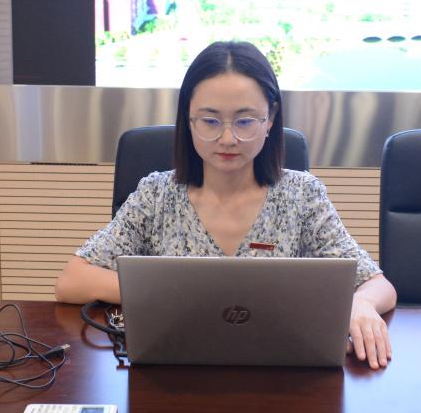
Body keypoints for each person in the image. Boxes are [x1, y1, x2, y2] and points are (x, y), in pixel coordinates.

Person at [56, 41, 397, 368]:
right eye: (210, 121)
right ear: (188, 119)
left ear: (270, 118)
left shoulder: (302, 195)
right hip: (174, 371)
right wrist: (161, 292)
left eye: (245, 121)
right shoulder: (156, 195)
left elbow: (379, 285)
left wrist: (361, 304)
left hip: (279, 373)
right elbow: (71, 281)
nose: (228, 138)